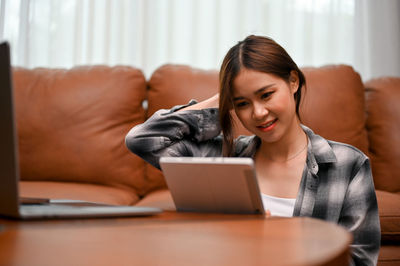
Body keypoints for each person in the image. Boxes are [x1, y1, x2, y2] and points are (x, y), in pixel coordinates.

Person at [125, 35, 380, 265]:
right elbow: (142, 139)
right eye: (243, 103)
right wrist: (220, 100)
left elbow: (359, 260)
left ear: (293, 81)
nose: (258, 113)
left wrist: (279, 245)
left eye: (266, 95)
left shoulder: (349, 165)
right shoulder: (221, 158)